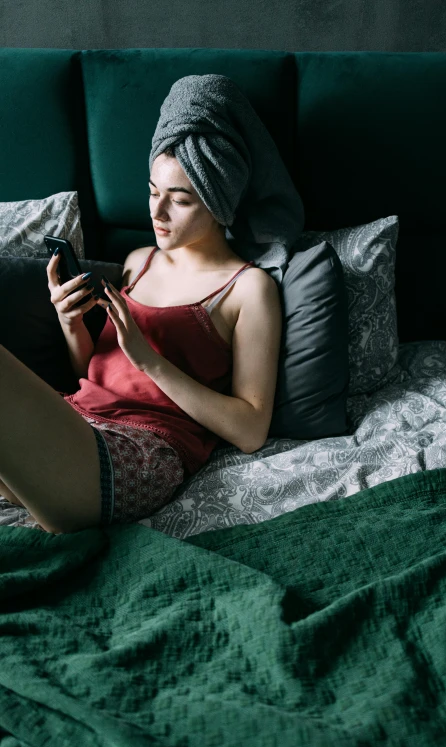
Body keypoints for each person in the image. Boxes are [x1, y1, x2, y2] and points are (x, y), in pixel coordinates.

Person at [0, 148, 282, 534]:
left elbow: (250, 431)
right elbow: (93, 375)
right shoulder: (139, 261)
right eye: (153, 192)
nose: (158, 212)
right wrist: (70, 321)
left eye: (180, 200)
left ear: (220, 204)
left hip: (142, 451)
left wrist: (148, 360)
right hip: (77, 421)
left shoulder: (249, 288)